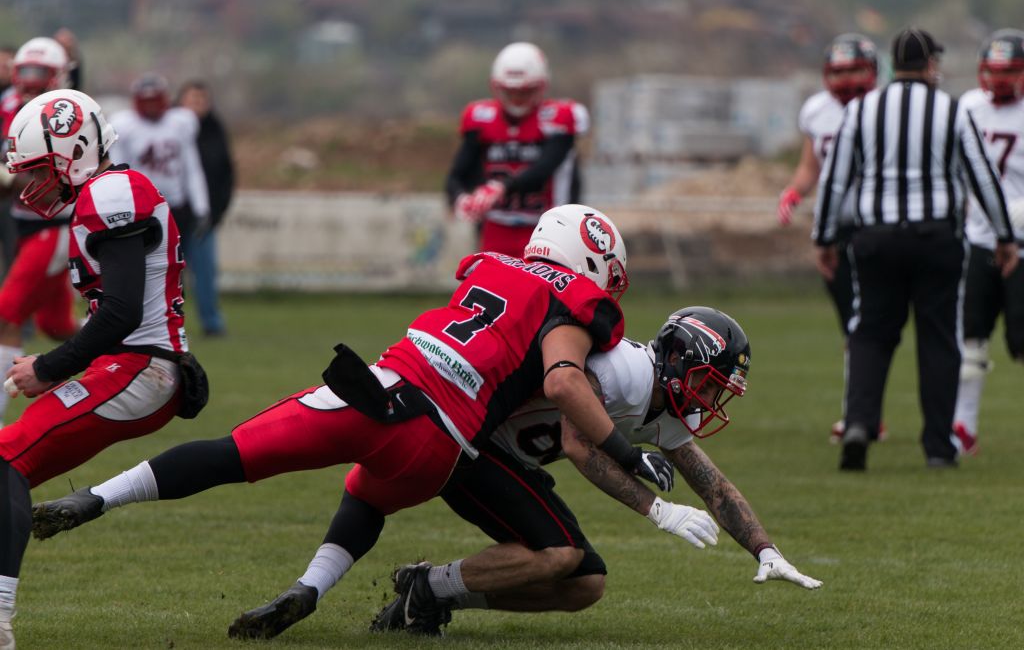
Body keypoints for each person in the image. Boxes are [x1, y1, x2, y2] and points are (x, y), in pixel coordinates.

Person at [31, 206, 679, 636]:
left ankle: (98, 496)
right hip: (438, 446)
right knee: (369, 495)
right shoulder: (575, 301)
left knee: (233, 454)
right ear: (596, 267)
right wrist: (631, 454)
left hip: (381, 385)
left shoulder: (491, 264)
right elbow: (562, 375)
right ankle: (311, 587)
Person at [226, 307, 821, 640]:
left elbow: (710, 481)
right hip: (470, 446)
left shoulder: (659, 402)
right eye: (709, 383)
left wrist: (765, 549)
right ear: (682, 361)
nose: (709, 399)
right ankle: (425, 590)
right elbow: (579, 445)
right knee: (560, 553)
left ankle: (429, 591)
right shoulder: (625, 372)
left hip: (507, 460)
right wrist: (656, 510)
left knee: (585, 584)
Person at [0, 89, 205, 650]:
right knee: (8, 466)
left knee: (6, 459)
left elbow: (120, 310)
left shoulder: (112, 191)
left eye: (41, 167)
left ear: (75, 147)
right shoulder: (108, 190)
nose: (33, 184)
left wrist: (49, 366)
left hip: (140, 368)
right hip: (136, 364)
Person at [813, 28, 1019, 471]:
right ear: (929, 65)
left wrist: (824, 239)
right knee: (939, 339)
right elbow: (982, 177)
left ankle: (859, 424)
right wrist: (1005, 237)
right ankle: (939, 447)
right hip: (936, 239)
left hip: (875, 237)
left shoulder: (864, 109)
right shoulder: (951, 109)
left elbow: (835, 179)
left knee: (870, 332)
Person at [776, 34, 887, 444]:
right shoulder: (817, 111)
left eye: (855, 70)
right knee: (852, 327)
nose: (846, 79)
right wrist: (793, 191)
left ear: (873, 71)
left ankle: (860, 415)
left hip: (878, 224)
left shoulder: (884, 108)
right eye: (838, 72)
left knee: (867, 325)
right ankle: (863, 414)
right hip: (836, 228)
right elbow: (811, 168)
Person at [951, 29, 1024, 456]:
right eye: (995, 71)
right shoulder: (969, 107)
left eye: (1011, 71)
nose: (1001, 80)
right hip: (977, 238)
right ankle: (965, 427)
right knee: (971, 342)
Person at [446, 42, 589, 256]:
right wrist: (460, 198)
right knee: (491, 287)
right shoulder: (480, 118)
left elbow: (543, 170)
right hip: (497, 226)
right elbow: (457, 174)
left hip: (550, 229)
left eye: (524, 91)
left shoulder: (559, 118)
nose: (516, 98)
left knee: (544, 288)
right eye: (510, 91)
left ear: (540, 86)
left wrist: (500, 188)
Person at [0, 37, 77, 428]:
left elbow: (56, 171)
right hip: (25, 224)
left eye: (38, 72)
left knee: (5, 310)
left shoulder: (65, 111)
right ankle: (124, 345)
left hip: (56, 224)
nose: (29, 81)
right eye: (24, 70)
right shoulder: (8, 104)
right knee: (56, 326)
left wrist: (12, 172)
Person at [109, 74, 211, 317]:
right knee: (148, 269)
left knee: (180, 266)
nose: (152, 106)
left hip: (176, 206)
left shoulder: (181, 122)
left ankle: (180, 314)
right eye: (147, 101)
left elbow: (191, 166)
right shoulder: (124, 125)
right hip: (144, 210)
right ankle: (152, 315)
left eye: (156, 100)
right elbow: (118, 170)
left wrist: (201, 207)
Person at [175, 80, 233, 337]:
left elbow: (226, 176)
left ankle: (212, 323)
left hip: (202, 220)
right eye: (191, 99)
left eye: (201, 100)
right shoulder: (168, 131)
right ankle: (167, 326)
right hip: (171, 217)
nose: (196, 105)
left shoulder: (215, 132)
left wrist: (215, 213)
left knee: (206, 274)